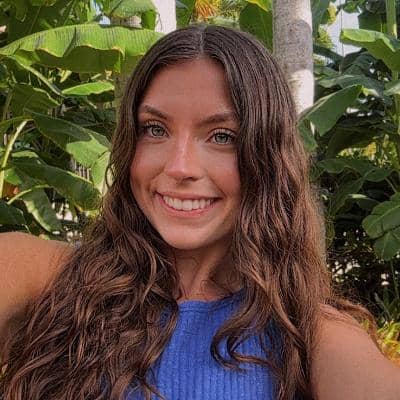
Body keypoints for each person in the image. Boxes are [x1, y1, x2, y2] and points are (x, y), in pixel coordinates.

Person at [0, 24, 399, 400]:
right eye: (155, 129)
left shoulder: (309, 333)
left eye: (221, 136)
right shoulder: (49, 279)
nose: (179, 167)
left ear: (268, 160)